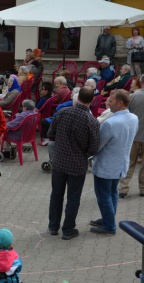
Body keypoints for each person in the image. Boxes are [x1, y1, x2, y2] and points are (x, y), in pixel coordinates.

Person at [47, 87, 100, 240]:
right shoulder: (92, 121)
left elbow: (51, 134)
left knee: (56, 195)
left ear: (77, 98)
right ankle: (68, 229)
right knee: (73, 198)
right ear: (92, 100)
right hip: (77, 165)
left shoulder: (63, 113)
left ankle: (53, 226)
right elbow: (93, 149)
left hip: (59, 162)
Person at [90, 90, 138, 235]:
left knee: (104, 195)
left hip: (106, 165)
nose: (107, 103)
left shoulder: (110, 123)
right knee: (112, 193)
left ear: (120, 103)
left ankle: (109, 226)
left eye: (111, 101)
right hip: (120, 163)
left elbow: (97, 145)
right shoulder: (133, 118)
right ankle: (108, 219)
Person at [119, 75, 144, 198]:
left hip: (133, 135)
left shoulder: (133, 96)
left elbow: (126, 114)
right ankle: (143, 189)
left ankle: (123, 188)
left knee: (129, 162)